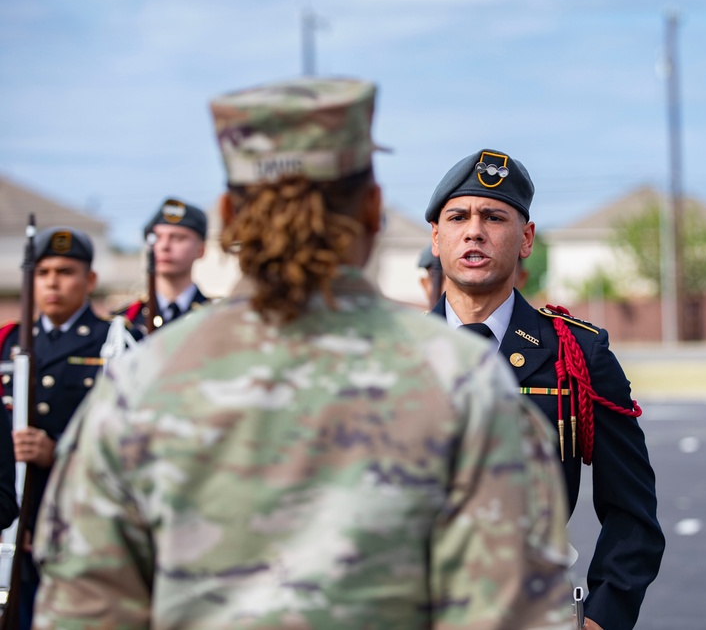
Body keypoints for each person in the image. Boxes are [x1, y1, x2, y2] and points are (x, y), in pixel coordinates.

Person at [32, 79, 574, 629]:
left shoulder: (141, 382)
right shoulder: (465, 384)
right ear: (372, 210)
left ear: (229, 215)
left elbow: (83, 607)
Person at [425, 148, 664, 630]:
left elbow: (632, 513)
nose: (474, 230)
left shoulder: (576, 356)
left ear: (526, 238)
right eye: (458, 217)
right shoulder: (392, 359)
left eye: (494, 217)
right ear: (436, 237)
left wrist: (603, 618)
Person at [0, 227, 122, 629]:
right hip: (16, 519)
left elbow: (128, 442)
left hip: (81, 516)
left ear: (90, 280)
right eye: (44, 271)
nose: (52, 281)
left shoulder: (115, 342)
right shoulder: (9, 343)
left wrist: (59, 452)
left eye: (66, 271)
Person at [116, 198, 211, 333]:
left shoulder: (216, 316)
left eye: (178, 238)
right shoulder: (125, 320)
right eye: (157, 237)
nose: (164, 246)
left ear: (201, 250)